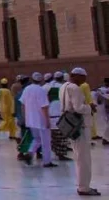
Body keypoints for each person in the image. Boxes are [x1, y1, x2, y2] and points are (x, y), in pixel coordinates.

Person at [62, 68, 99, 196]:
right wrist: (90, 107)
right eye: (83, 78)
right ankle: (84, 188)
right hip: (80, 127)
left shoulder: (64, 86)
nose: (84, 81)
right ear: (76, 76)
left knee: (79, 157)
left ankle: (83, 185)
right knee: (84, 159)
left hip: (70, 126)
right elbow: (78, 108)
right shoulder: (75, 88)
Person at [21, 71, 55, 167]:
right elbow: (44, 106)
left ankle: (30, 153)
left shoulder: (27, 89)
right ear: (41, 80)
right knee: (46, 141)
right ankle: (47, 162)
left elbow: (23, 104)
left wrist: (25, 117)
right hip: (41, 120)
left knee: (37, 139)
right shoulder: (41, 90)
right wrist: (47, 121)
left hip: (30, 120)